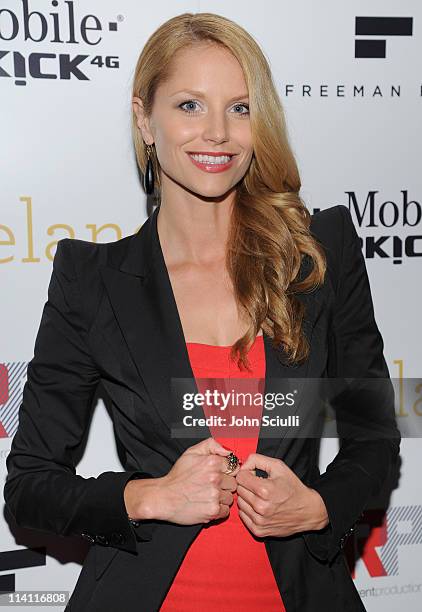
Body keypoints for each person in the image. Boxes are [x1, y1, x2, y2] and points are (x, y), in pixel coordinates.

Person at [3, 12, 401, 612]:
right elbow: (30, 485)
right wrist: (147, 497)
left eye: (240, 108)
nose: (217, 132)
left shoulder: (322, 255)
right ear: (145, 118)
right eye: (190, 105)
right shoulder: (93, 281)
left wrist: (318, 506)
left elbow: (375, 434)